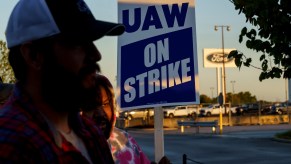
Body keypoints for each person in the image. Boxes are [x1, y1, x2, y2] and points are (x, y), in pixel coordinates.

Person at [0, 0, 125, 163]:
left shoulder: (90, 133)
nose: (96, 54)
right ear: (33, 55)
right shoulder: (11, 143)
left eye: (92, 41)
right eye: (78, 43)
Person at [82, 74, 153, 164]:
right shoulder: (68, 147)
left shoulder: (125, 141)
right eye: (92, 106)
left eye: (105, 104)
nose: (100, 113)